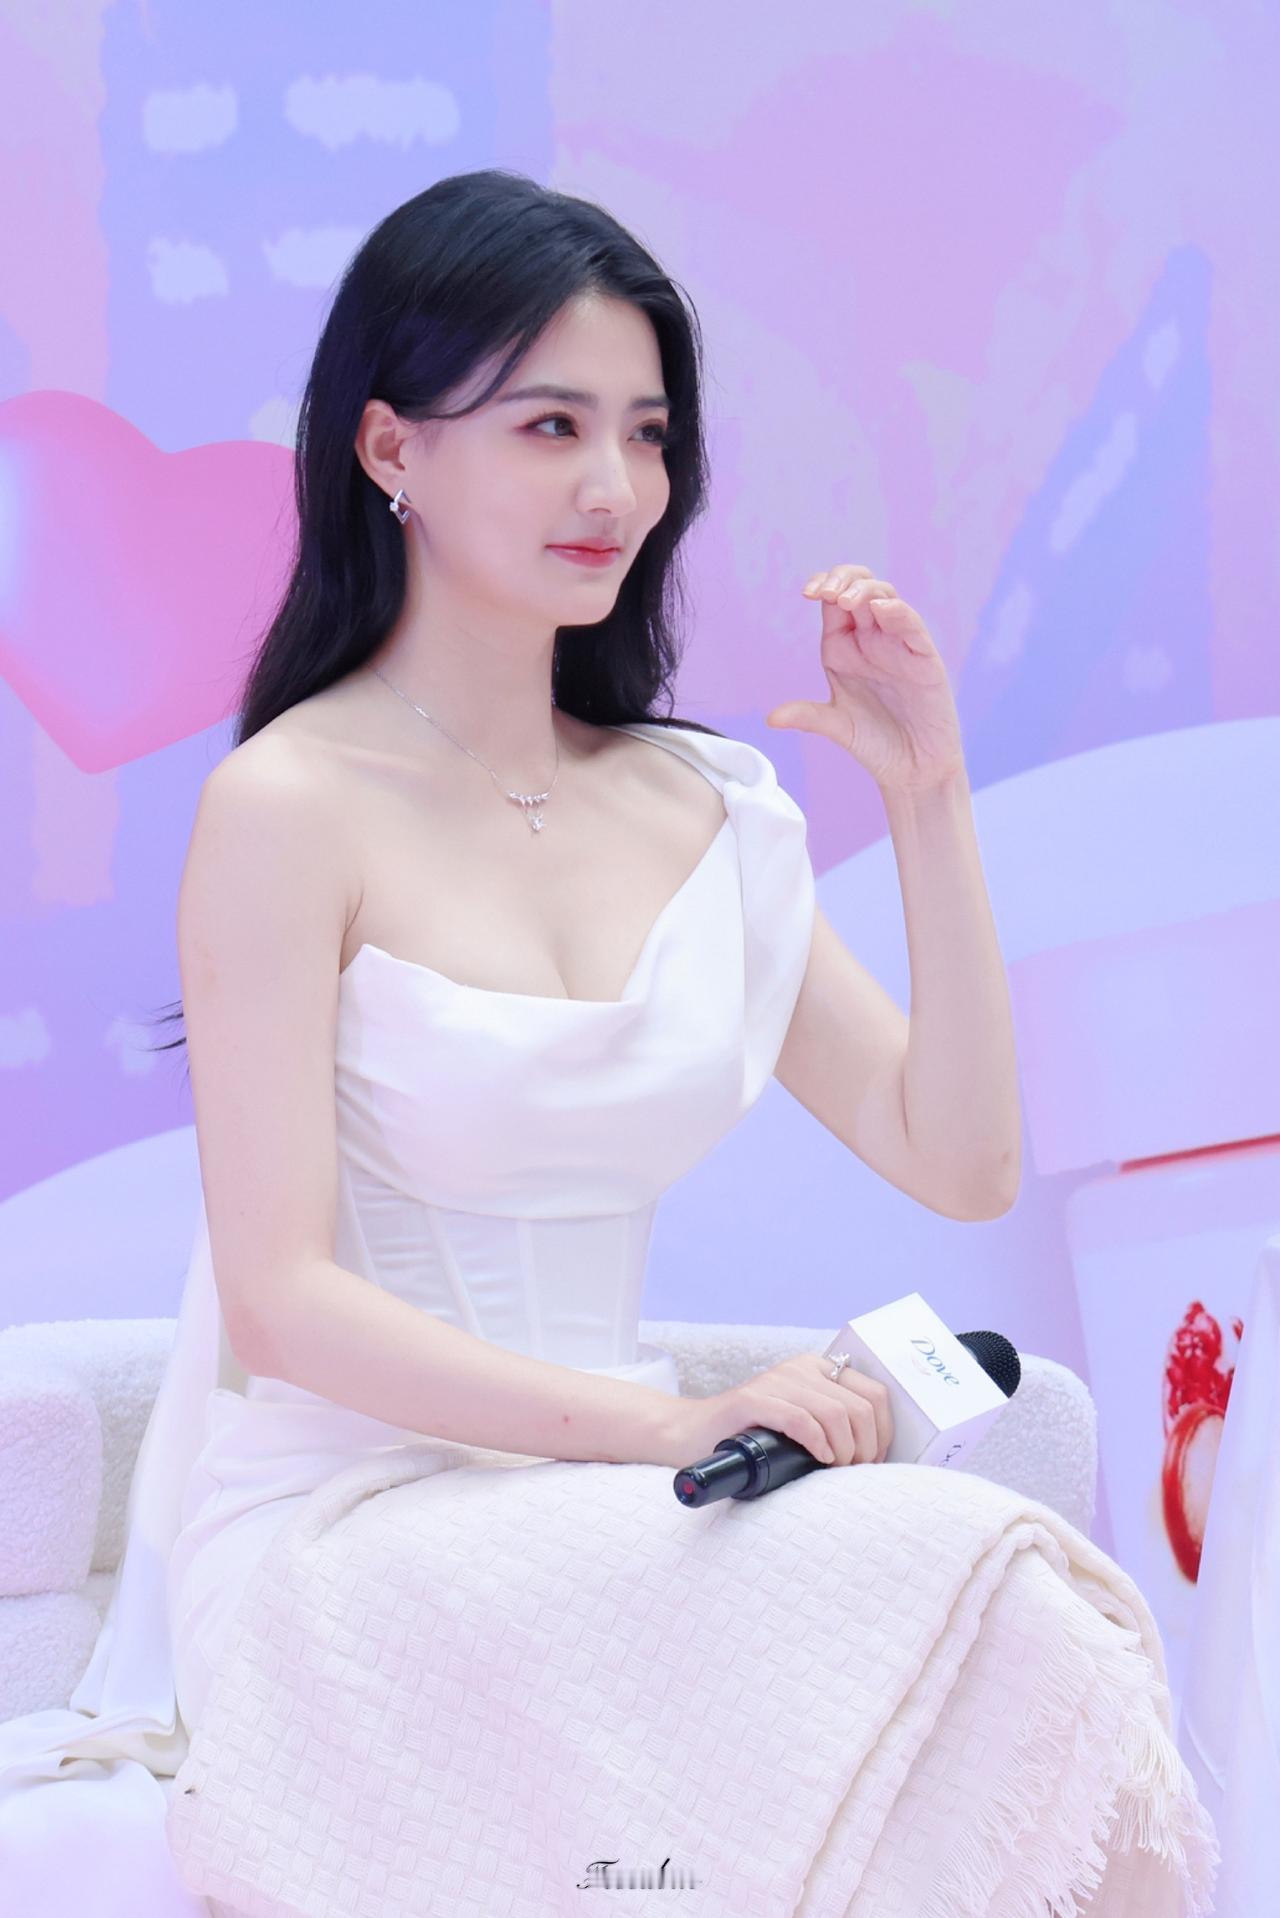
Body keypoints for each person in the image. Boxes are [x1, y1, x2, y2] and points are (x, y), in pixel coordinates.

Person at [0, 169, 1218, 1916]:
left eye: (646, 433)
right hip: (353, 1534)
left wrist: (931, 796)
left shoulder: (706, 806)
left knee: (1007, 1611)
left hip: (630, 1502)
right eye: (550, 424)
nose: (615, 487)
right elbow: (281, 1303)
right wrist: (665, 1426)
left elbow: (962, 1159)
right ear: (390, 448)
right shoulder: (289, 803)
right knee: (977, 1575)